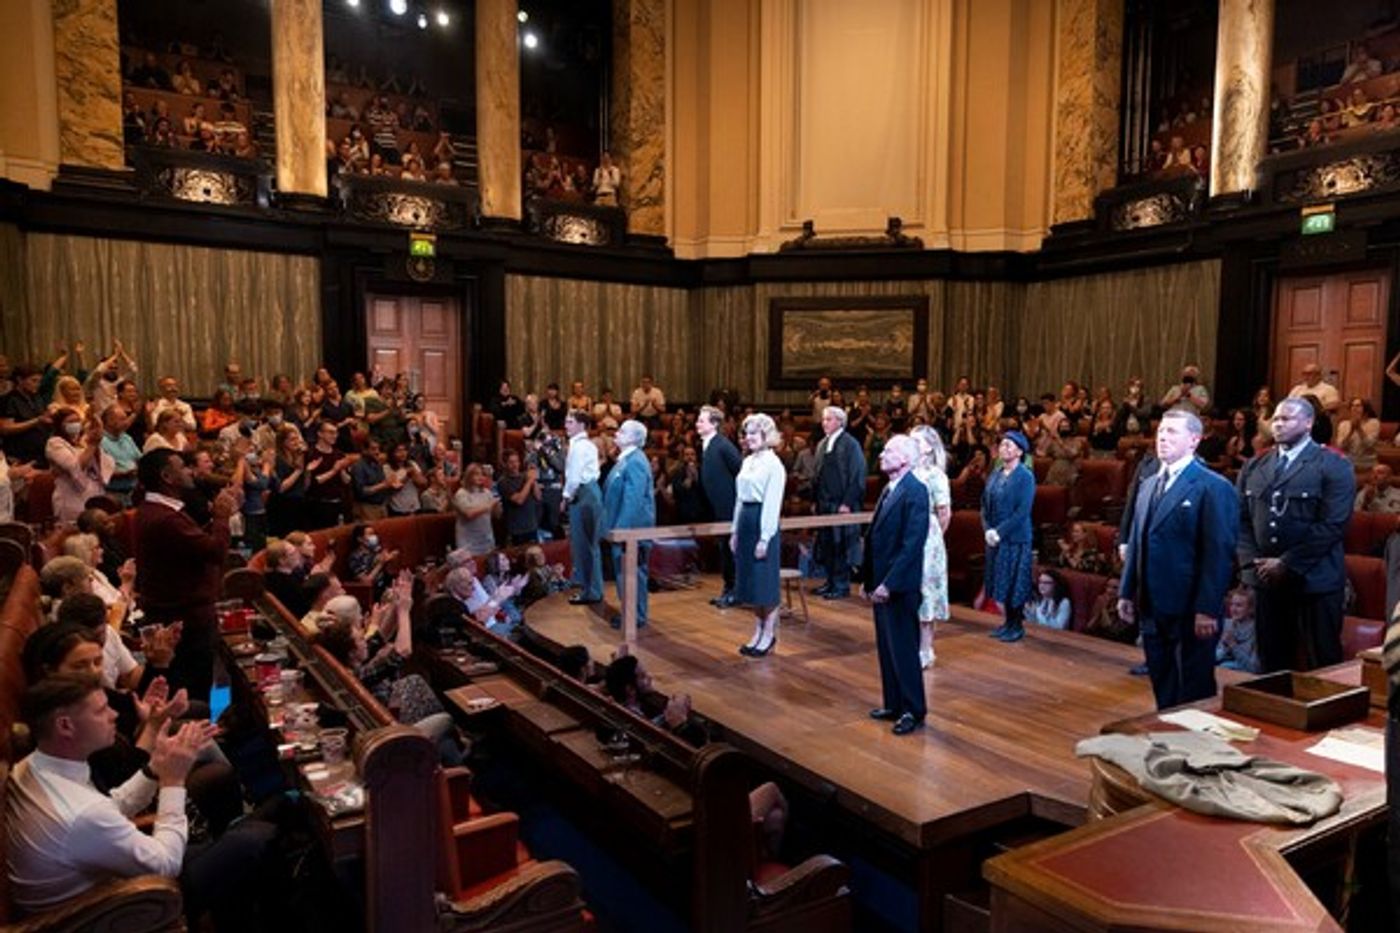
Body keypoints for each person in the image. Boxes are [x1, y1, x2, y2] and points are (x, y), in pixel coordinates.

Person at [6, 674, 275, 929]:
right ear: (65, 725)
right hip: (100, 914)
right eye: (101, 711)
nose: (113, 716)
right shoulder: (81, 813)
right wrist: (173, 780)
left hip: (104, 888)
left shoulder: (34, 764)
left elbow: (110, 806)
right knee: (254, 840)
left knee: (240, 837)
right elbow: (165, 865)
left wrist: (154, 768)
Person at [1118, 410, 1237, 709]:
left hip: (1190, 607)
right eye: (1160, 432)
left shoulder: (1214, 486)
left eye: (1172, 432)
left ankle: (1195, 749)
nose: (1163, 438)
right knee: (1162, 678)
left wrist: (1207, 609)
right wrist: (1126, 590)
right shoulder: (1147, 485)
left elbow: (1218, 554)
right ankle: (1167, 738)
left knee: (1193, 686)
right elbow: (1137, 542)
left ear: (1194, 440)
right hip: (1151, 604)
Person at [1237, 398, 1355, 672]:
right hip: (1267, 580)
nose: (1278, 424)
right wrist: (1254, 564)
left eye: (1286, 419)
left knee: (1322, 663)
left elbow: (1333, 525)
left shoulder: (1333, 464)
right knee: (1272, 663)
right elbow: (1241, 520)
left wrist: (1287, 564)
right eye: (1276, 419)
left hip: (1315, 580)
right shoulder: (1255, 466)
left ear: (1308, 423)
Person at [133, 449, 240, 702]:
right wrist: (221, 517)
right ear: (167, 476)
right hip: (185, 618)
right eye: (183, 467)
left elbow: (191, 545)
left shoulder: (156, 510)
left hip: (181, 612)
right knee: (195, 687)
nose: (190, 471)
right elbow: (214, 552)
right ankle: (202, 731)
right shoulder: (164, 517)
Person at [861, 435, 930, 736]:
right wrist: (868, 580)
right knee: (887, 649)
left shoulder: (916, 491)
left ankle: (913, 709)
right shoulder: (890, 489)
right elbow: (875, 538)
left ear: (905, 458)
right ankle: (893, 703)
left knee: (903, 648)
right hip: (881, 583)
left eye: (888, 451)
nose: (882, 455)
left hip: (899, 586)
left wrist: (889, 583)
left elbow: (912, 544)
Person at [732, 414, 787, 657]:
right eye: (747, 433)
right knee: (752, 583)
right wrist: (734, 530)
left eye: (754, 433)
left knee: (764, 582)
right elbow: (739, 498)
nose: (749, 437)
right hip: (745, 520)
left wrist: (765, 537)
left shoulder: (774, 464)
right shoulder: (748, 461)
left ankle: (768, 633)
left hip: (762, 522)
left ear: (767, 436)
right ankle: (757, 628)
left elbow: (772, 504)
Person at [982, 431, 1035, 643]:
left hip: (1015, 538)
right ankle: (1007, 623)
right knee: (1000, 580)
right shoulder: (994, 475)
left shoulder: (1025, 476)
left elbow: (1022, 512)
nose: (1004, 448)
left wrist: (1000, 531)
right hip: (994, 538)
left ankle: (1016, 625)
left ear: (1020, 451)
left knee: (1015, 581)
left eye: (1009, 445)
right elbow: (984, 506)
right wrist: (987, 529)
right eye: (1002, 445)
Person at [602, 420, 656, 630]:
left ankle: (636, 616)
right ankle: (630, 613)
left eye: (622, 431)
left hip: (631, 532)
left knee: (633, 574)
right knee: (624, 574)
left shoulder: (635, 461)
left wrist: (621, 530)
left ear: (634, 438)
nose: (617, 433)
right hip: (621, 529)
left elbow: (632, 500)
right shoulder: (625, 459)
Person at [812, 406, 867, 600]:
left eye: (829, 419)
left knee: (841, 544)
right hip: (825, 504)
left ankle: (841, 585)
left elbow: (858, 476)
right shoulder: (822, 444)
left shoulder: (851, 444)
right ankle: (830, 581)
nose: (824, 422)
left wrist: (847, 502)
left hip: (842, 504)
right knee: (826, 544)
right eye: (824, 419)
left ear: (840, 421)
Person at [909, 425, 951, 669]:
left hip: (928, 535)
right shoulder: (908, 472)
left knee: (927, 591)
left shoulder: (936, 475)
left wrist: (934, 538)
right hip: (907, 533)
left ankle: (926, 648)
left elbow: (944, 513)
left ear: (928, 447)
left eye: (917, 441)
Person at [697, 405, 741, 607]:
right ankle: (728, 588)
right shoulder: (706, 445)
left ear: (714, 424)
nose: (697, 423)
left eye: (702, 420)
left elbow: (740, 471)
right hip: (716, 509)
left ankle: (735, 591)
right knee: (724, 550)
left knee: (731, 551)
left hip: (729, 508)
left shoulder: (722, 445)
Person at [563, 410, 604, 604]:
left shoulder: (580, 447)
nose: (566, 425)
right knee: (587, 545)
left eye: (570, 422)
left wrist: (565, 497)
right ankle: (591, 588)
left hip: (583, 493)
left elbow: (574, 477)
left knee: (585, 545)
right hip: (589, 492)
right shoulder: (584, 445)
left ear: (581, 425)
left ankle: (592, 591)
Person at [1217, 588, 1262, 674]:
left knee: (1225, 666)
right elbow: (1216, 657)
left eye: (1239, 605)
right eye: (1232, 605)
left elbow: (1254, 668)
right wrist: (1224, 646)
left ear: (1250, 609)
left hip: (1244, 674)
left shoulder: (1256, 631)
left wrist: (1233, 646)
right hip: (1223, 669)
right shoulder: (1227, 624)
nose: (1233, 609)